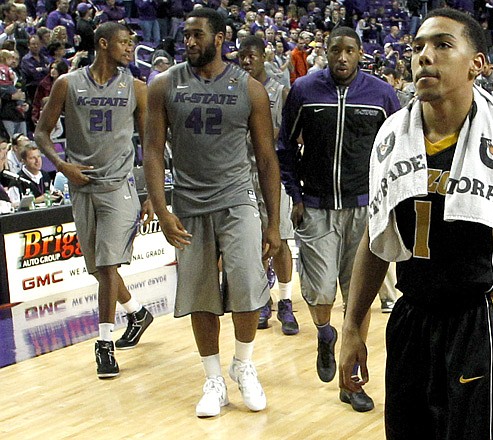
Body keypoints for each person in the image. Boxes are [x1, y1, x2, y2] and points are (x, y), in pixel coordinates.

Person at [339, 8, 493, 439]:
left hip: (480, 320)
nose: (424, 56)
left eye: (442, 45)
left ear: (477, 64)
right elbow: (377, 239)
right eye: (417, 47)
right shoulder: (391, 141)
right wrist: (352, 327)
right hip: (412, 316)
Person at [143, 8, 280, 417]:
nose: (189, 42)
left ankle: (243, 364)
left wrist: (274, 222)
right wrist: (163, 209)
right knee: (200, 295)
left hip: (238, 199)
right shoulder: (164, 85)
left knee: (246, 282)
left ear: (221, 38)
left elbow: (267, 158)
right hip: (188, 202)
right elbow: (151, 151)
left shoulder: (249, 88)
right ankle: (213, 378)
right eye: (185, 35)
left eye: (197, 35)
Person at [277, 26, 400, 412]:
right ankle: (325, 333)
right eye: (335, 51)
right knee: (320, 293)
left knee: (358, 300)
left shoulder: (381, 94)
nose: (342, 57)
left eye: (349, 51)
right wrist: (295, 194)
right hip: (314, 205)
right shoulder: (304, 91)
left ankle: (353, 383)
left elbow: (398, 149)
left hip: (364, 210)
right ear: (325, 53)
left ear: (360, 53)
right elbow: (284, 147)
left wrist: (388, 201)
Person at [34, 22, 155, 379]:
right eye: (123, 42)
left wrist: (150, 194)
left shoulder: (137, 88)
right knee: (100, 268)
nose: (130, 47)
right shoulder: (67, 84)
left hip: (119, 185)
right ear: (103, 44)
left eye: (132, 42)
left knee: (105, 267)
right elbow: (41, 132)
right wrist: (60, 165)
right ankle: (137, 312)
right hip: (80, 185)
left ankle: (103, 344)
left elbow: (149, 146)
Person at [237, 35, 299, 336]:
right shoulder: (234, 89)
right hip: (243, 173)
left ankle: (286, 301)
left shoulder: (281, 91)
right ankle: (263, 298)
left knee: (280, 239)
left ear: (264, 56)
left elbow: (293, 137)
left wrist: (271, 134)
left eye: (252, 55)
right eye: (242, 56)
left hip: (274, 173)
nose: (247, 61)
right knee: (253, 244)